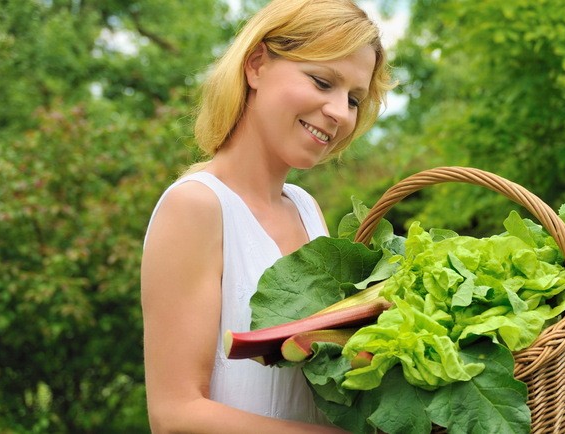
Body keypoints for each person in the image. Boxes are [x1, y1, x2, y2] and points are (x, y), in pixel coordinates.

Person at [140, 0, 393, 432]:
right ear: (256, 65)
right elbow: (175, 414)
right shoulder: (197, 206)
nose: (338, 112)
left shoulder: (306, 208)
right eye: (321, 81)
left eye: (353, 99)